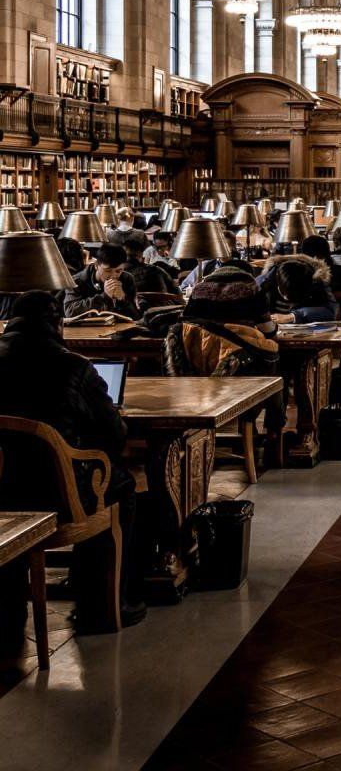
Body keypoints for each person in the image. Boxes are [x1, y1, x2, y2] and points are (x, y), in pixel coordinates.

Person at [0, 291, 145, 641]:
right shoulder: (74, 366)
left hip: (2, 489)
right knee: (122, 486)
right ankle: (99, 604)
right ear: (57, 323)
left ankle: (7, 613)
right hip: (56, 491)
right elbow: (114, 434)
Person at [64, 243, 139, 319]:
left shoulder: (127, 278)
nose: (113, 276)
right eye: (108, 271)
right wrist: (104, 297)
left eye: (118, 271)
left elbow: (136, 316)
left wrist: (123, 299)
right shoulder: (77, 280)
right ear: (96, 265)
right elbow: (70, 312)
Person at [256, 254, 337, 323]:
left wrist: (294, 316)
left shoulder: (316, 281)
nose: (285, 298)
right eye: (283, 291)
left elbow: (330, 312)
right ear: (277, 280)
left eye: (293, 294)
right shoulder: (263, 283)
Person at [119, 232, 181, 297]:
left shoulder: (117, 275)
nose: (159, 250)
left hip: (135, 306)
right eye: (156, 247)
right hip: (161, 305)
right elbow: (178, 293)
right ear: (143, 257)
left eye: (163, 246)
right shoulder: (156, 270)